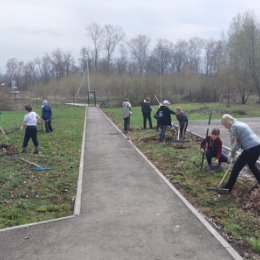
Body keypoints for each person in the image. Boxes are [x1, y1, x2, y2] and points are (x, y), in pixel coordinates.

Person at [220, 114, 260, 192]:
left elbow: (234, 144)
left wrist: (231, 157)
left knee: (236, 167)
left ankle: (228, 187)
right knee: (251, 164)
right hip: (258, 145)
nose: (225, 127)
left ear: (228, 123)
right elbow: (239, 142)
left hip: (250, 148)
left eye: (225, 125)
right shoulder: (239, 123)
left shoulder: (233, 128)